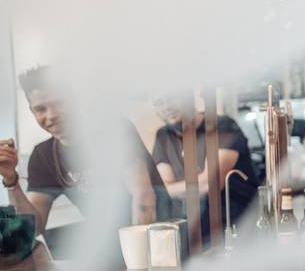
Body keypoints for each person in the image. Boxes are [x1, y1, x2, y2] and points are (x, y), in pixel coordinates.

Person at [0, 67, 171, 246]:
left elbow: (143, 196)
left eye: (59, 103)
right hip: (111, 250)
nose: (51, 116)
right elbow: (34, 228)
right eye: (41, 109)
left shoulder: (114, 130)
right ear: (32, 111)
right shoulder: (43, 156)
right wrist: (11, 180)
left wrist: (138, 258)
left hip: (160, 239)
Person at [150, 95, 258, 243]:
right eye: (159, 102)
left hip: (240, 228)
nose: (167, 106)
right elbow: (165, 188)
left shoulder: (222, 125)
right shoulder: (163, 136)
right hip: (197, 232)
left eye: (173, 96)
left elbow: (209, 184)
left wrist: (178, 188)